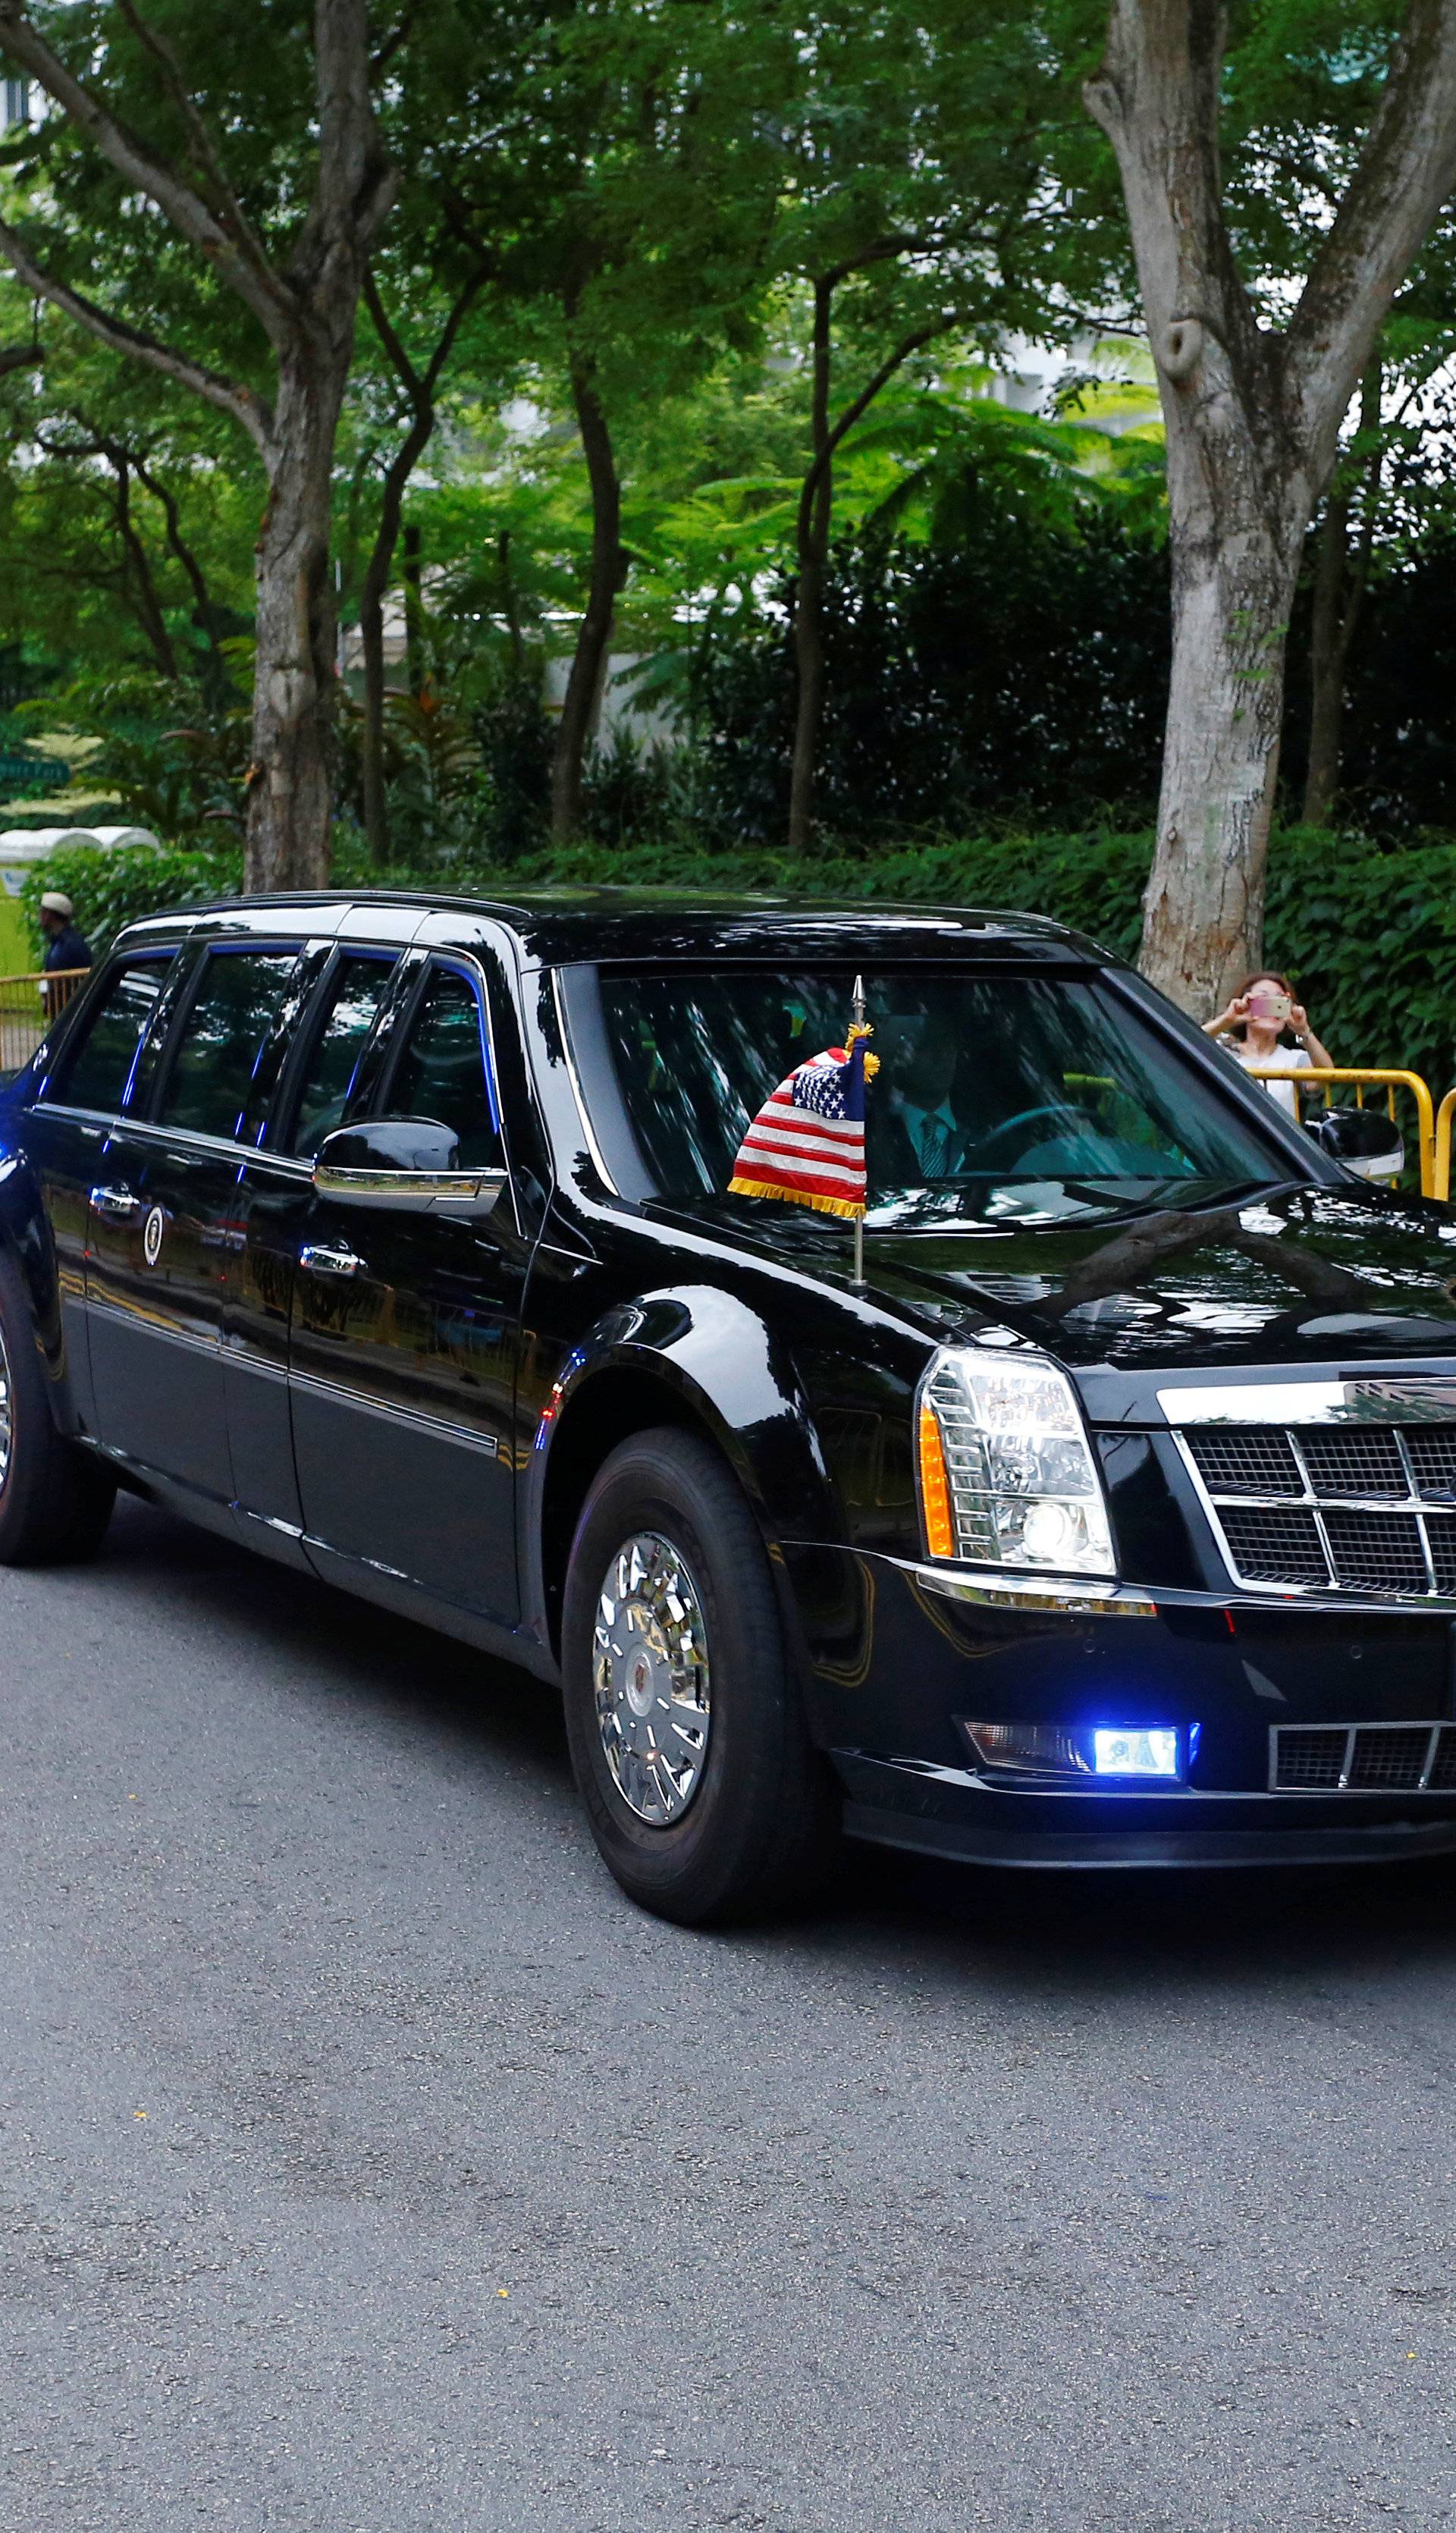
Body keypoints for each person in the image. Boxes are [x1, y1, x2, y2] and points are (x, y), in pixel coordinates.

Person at [1203, 970, 1332, 1117]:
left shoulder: (1293, 1059)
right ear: (1246, 1003)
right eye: (1263, 1000)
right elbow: (1187, 1041)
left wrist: (1304, 1030)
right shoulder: (1224, 1052)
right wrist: (1227, 1020)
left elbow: (1325, 1076)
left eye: (1278, 1001)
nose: (1271, 1007)